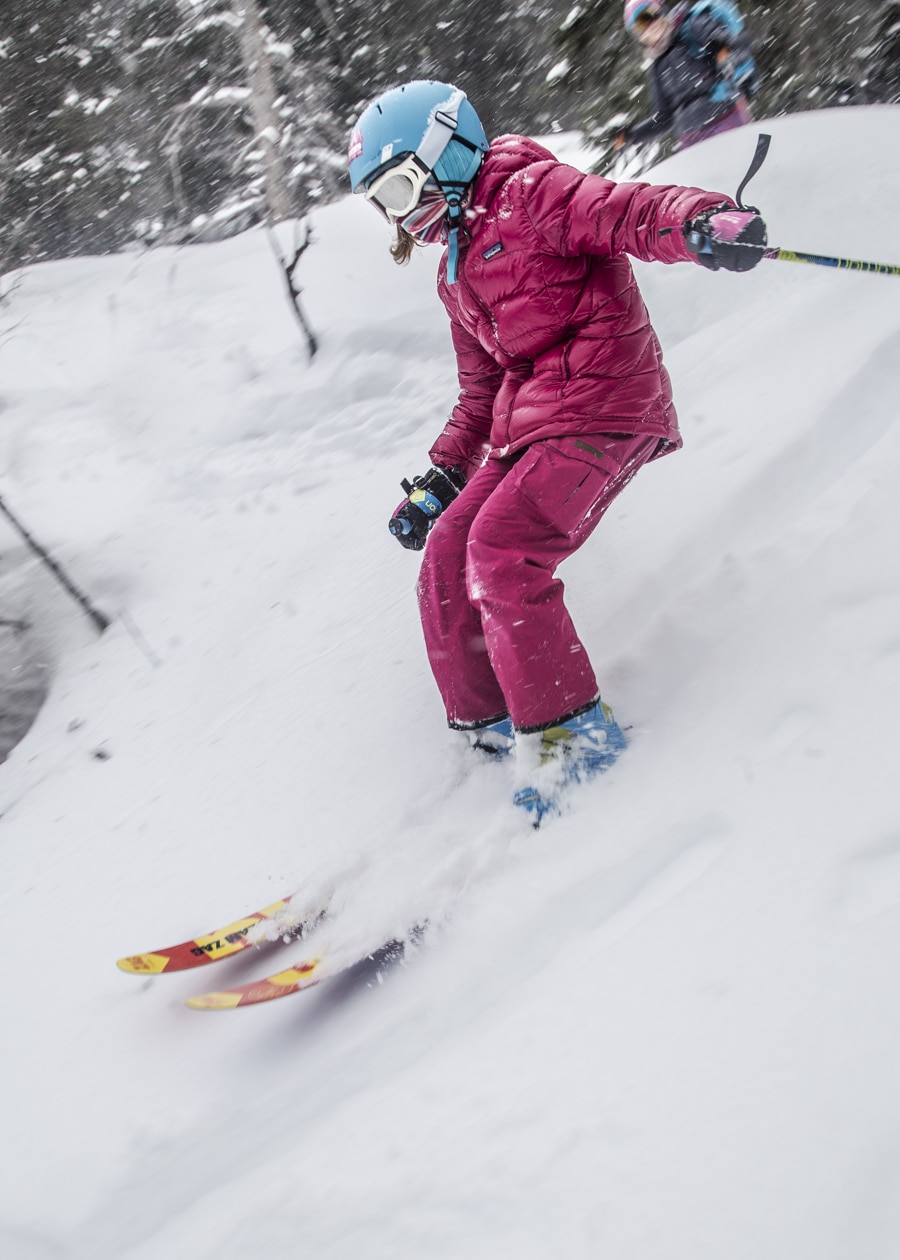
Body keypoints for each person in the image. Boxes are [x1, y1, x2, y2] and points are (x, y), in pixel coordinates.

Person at [347, 80, 766, 824]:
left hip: (608, 403)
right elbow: (481, 389)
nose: (401, 215)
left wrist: (703, 220)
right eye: (383, 203)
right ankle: (491, 726)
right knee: (448, 552)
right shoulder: (454, 270)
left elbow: (629, 211)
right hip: (531, 427)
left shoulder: (533, 192)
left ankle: (574, 745)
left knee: (502, 551)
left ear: (449, 153)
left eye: (402, 188)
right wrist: (443, 474)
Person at [620, 0, 757, 151]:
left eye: (651, 14)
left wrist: (724, 51)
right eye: (642, 23)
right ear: (639, 36)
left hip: (724, 118)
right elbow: (664, 119)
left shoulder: (691, 27)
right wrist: (632, 136)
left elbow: (737, 45)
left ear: (662, 11)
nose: (651, 25)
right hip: (690, 141)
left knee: (734, 160)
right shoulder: (656, 67)